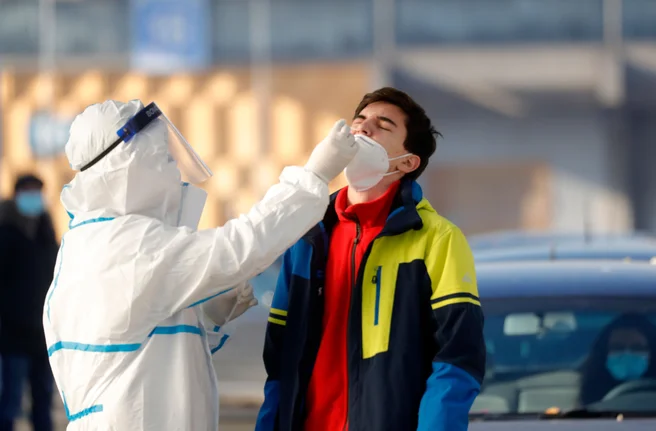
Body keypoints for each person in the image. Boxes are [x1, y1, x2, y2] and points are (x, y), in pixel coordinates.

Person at [42, 99, 357, 430]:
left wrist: (204, 315)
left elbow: (143, 353)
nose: (173, 171)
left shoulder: (91, 243)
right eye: (162, 158)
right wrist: (313, 177)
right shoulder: (128, 246)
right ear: (126, 167)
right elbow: (240, 246)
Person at [256, 87, 486, 431]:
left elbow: (456, 359)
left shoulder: (438, 239)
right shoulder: (307, 234)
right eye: (359, 121)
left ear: (408, 162)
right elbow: (280, 359)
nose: (363, 129)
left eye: (383, 125)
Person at [0, 174, 58, 431]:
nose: (35, 197)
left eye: (38, 191)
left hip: (43, 334)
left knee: (43, 400)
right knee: (10, 400)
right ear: (18, 194)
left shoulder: (47, 231)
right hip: (13, 335)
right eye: (29, 191)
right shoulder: (6, 232)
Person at [579, 313, 656, 405]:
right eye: (618, 348)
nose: (627, 354)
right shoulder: (590, 394)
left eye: (637, 348)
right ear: (604, 353)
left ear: (653, 353)